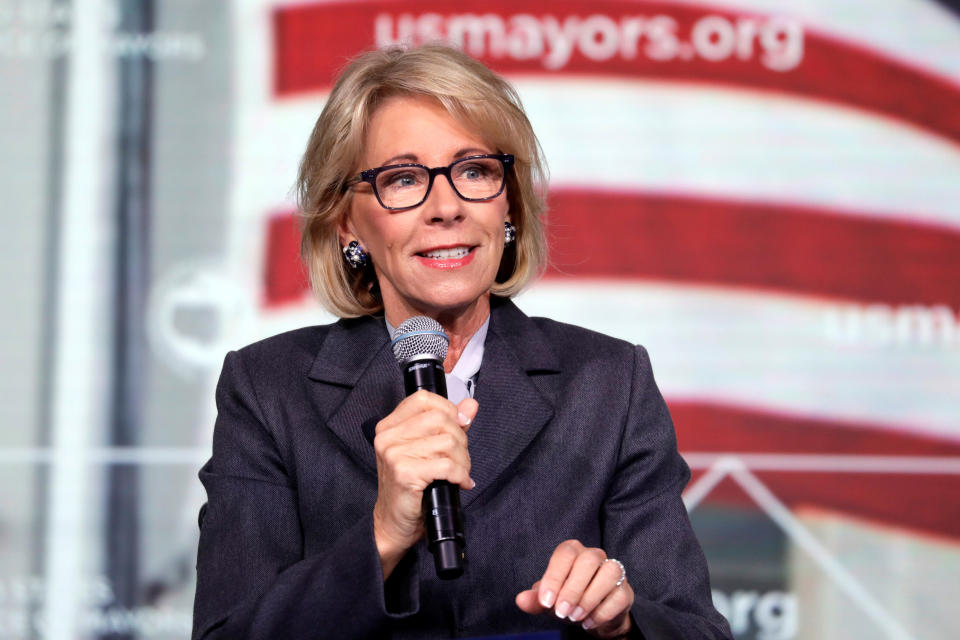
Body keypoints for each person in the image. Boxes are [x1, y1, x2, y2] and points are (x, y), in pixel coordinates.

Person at [192, 44, 732, 640]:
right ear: (348, 224)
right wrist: (383, 535)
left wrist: (621, 622)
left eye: (475, 171)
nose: (446, 207)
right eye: (402, 179)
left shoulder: (608, 382)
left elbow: (694, 632)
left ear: (509, 205)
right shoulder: (268, 389)